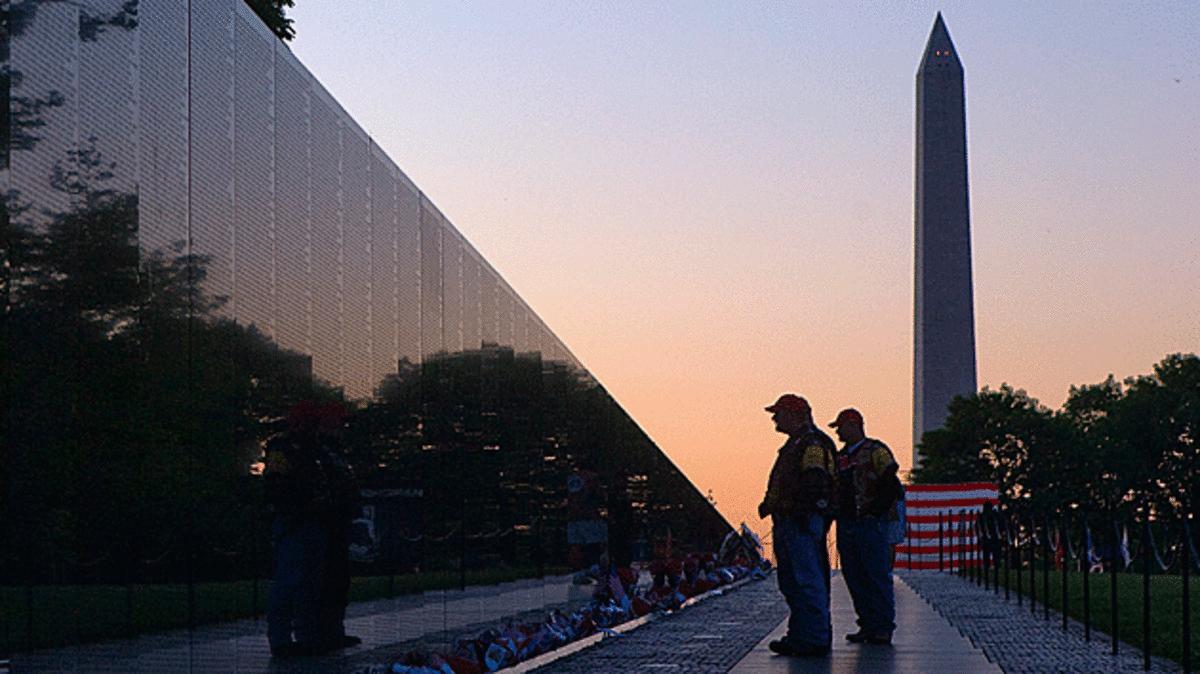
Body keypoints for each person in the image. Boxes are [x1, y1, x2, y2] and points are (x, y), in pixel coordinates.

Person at [757, 394, 837, 657]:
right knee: (793, 582)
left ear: (795, 414)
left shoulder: (811, 444)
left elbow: (816, 480)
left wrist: (802, 511)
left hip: (800, 521)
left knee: (807, 580)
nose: (774, 419)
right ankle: (801, 634)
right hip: (791, 520)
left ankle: (814, 637)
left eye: (778, 413)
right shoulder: (799, 444)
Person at [830, 408, 902, 645]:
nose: (838, 432)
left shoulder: (877, 451)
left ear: (854, 425)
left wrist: (876, 511)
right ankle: (867, 625)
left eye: (840, 427)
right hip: (847, 522)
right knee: (854, 576)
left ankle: (882, 626)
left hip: (871, 524)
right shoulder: (839, 458)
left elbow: (891, 481)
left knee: (876, 575)